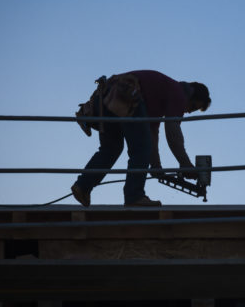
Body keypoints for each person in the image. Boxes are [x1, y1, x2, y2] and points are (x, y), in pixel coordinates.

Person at [71, 70, 211, 207]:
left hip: (108, 97)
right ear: (191, 94)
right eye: (192, 106)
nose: (187, 111)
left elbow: (152, 134)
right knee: (141, 148)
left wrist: (156, 166)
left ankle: (83, 186)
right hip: (127, 94)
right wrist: (185, 164)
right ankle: (134, 196)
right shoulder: (179, 94)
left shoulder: (160, 97)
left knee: (111, 149)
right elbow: (173, 134)